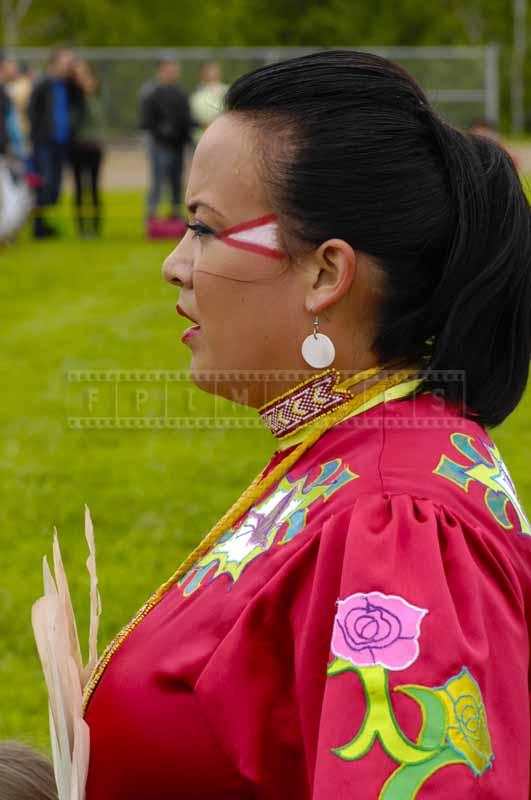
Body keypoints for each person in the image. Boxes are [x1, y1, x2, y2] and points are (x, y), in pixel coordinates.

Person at [81, 51, 530, 798]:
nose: (174, 264)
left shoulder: (396, 522)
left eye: (204, 228)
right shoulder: (348, 451)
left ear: (326, 273)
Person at [28, 47, 85, 238]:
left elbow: (85, 96)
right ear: (54, 62)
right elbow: (33, 112)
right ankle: (39, 226)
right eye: (65, 62)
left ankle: (45, 224)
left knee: (55, 187)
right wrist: (38, 136)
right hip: (44, 143)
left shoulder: (69, 86)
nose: (68, 65)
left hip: (62, 144)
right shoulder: (42, 84)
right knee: (45, 184)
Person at [139, 58, 191, 231]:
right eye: (169, 69)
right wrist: (163, 133)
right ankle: (151, 217)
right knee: (158, 182)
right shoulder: (151, 92)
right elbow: (146, 121)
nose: (173, 72)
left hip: (177, 146)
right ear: (161, 70)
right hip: (159, 146)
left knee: (177, 183)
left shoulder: (180, 93)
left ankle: (176, 217)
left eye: (175, 69)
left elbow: (186, 119)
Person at [70, 58, 105, 237]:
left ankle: (96, 226)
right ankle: (81, 227)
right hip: (77, 147)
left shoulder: (96, 97)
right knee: (78, 187)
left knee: (93, 187)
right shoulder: (73, 99)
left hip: (94, 147)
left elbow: (98, 121)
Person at [190, 61, 228, 142]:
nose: (212, 73)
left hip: (224, 136)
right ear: (202, 74)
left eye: (214, 70)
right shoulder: (197, 95)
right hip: (203, 138)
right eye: (209, 70)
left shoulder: (226, 90)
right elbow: (197, 116)